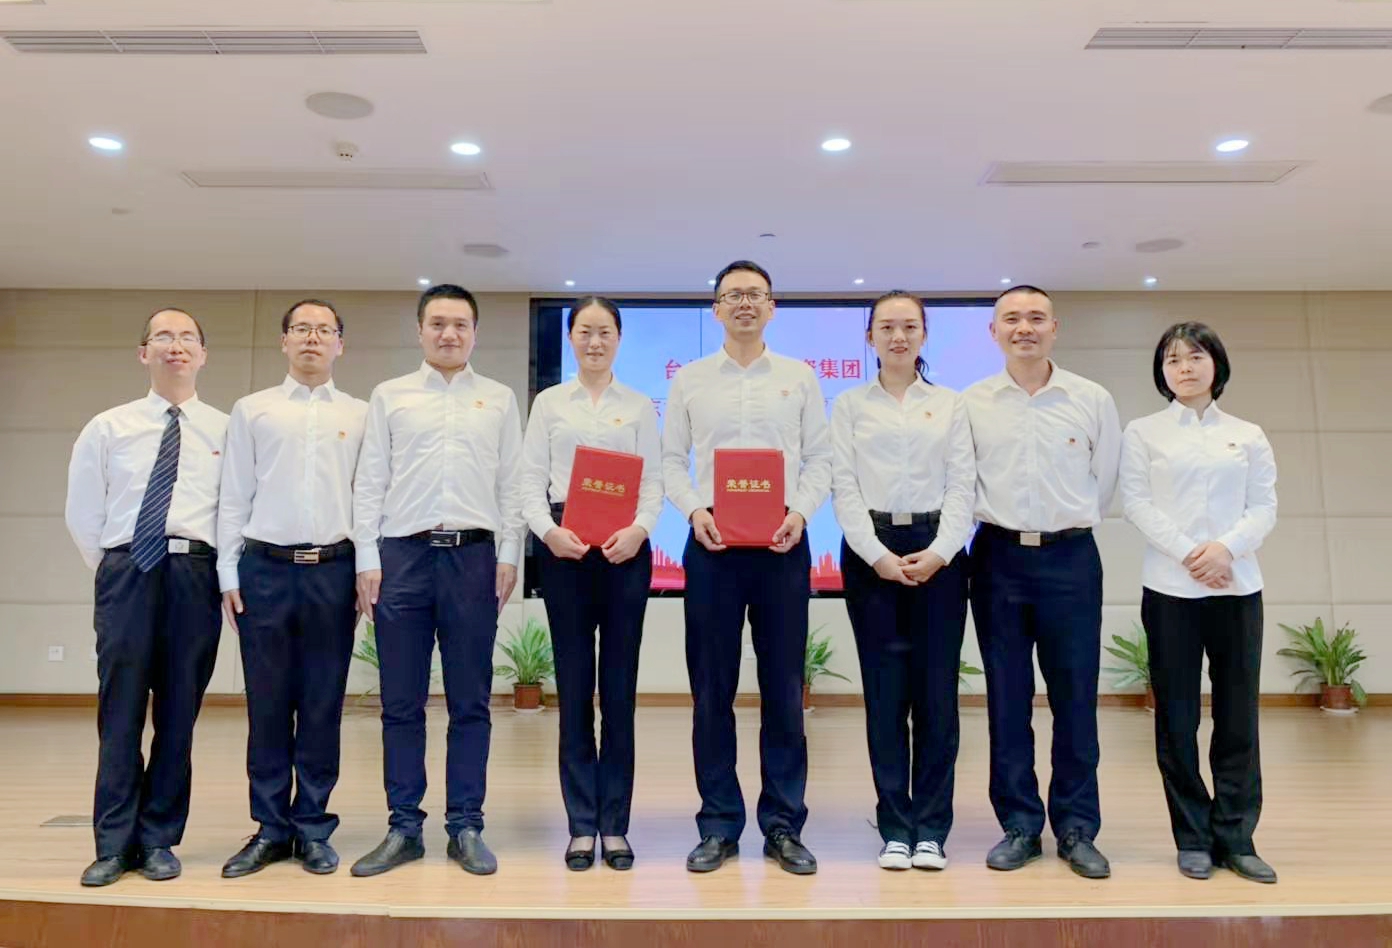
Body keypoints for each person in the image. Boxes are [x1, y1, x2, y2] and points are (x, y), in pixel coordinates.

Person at [662, 260, 832, 875]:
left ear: (772, 306)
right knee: (712, 690)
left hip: (783, 546)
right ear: (715, 309)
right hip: (712, 548)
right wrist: (694, 511)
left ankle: (783, 825)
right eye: (732, 295)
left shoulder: (799, 378)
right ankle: (718, 824)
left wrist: (802, 513)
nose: (744, 304)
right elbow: (671, 460)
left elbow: (820, 459)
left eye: (755, 294)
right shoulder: (690, 380)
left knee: (783, 689)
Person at [350, 284, 525, 877]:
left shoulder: (499, 399)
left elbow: (511, 484)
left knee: (470, 702)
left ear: (475, 333)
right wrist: (367, 559)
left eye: (460, 325)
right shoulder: (390, 395)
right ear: (420, 330)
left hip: (474, 560)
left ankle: (466, 825)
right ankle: (404, 827)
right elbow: (370, 481)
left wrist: (508, 553)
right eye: (438, 324)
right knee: (400, 702)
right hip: (401, 559)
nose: (449, 334)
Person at [64, 308, 229, 887]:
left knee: (179, 713)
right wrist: (119, 569)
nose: (175, 346)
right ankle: (113, 844)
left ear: (203, 354)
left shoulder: (226, 430)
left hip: (195, 575)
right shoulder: (108, 426)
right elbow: (84, 512)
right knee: (120, 713)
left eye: (187, 338)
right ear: (144, 353)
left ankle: (158, 838)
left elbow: (233, 511)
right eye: (163, 336)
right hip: (127, 571)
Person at [964, 285, 1121, 879]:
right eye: (1011, 319)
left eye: (1035, 318)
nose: (1023, 328)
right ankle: (1020, 825)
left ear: (1055, 328)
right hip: (998, 558)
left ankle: (1077, 827)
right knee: (1007, 699)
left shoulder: (1091, 398)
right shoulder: (973, 403)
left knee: (1075, 697)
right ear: (994, 332)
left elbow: (1106, 481)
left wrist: (1063, 524)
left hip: (1071, 558)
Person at [1120, 321, 1278, 884]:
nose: (1184, 367)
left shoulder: (1248, 434)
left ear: (1217, 364)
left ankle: (1236, 836)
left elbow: (1264, 507)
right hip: (1171, 588)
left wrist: (1225, 549)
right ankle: (1191, 837)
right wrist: (1192, 553)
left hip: (1238, 587)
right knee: (1177, 718)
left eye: (1195, 356)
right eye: (1172, 359)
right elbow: (1136, 502)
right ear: (1161, 372)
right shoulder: (1143, 432)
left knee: (1238, 716)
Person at [216, 299, 367, 878]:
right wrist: (228, 573)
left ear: (340, 345)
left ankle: (313, 827)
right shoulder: (252, 409)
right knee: (268, 703)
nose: (312, 338)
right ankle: (270, 828)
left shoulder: (359, 414)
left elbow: (367, 499)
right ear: (284, 341)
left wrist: (365, 570)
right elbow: (234, 495)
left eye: (324, 330)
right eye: (301, 329)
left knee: (324, 702)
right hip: (265, 570)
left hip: (334, 569)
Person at [830, 291, 975, 872]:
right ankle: (895, 826)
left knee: (937, 697)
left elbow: (963, 486)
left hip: (940, 551)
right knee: (885, 696)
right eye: (886, 327)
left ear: (924, 335)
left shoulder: (951, 405)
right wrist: (876, 556)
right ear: (869, 337)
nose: (898, 336)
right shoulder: (848, 405)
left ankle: (932, 830)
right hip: (872, 555)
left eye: (909, 326)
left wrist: (940, 552)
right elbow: (844, 487)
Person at [521, 296, 662, 871]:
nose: (594, 341)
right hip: (566, 551)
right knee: (575, 689)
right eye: (584, 331)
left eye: (604, 332)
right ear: (571, 338)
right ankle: (582, 824)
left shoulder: (639, 406)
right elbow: (530, 481)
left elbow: (652, 483)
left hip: (626, 551)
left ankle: (616, 824)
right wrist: (549, 532)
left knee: (620, 692)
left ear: (619, 340)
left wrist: (640, 530)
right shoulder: (550, 403)